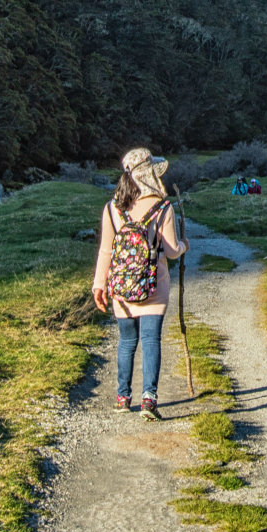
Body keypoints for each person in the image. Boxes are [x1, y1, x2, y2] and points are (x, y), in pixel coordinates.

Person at [91, 147, 185, 419]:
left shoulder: (112, 209)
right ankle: (148, 399)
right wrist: (184, 245)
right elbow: (170, 250)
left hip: (121, 288)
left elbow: (106, 251)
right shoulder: (163, 206)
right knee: (151, 339)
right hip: (154, 285)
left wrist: (100, 285)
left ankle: (123, 397)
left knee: (127, 341)